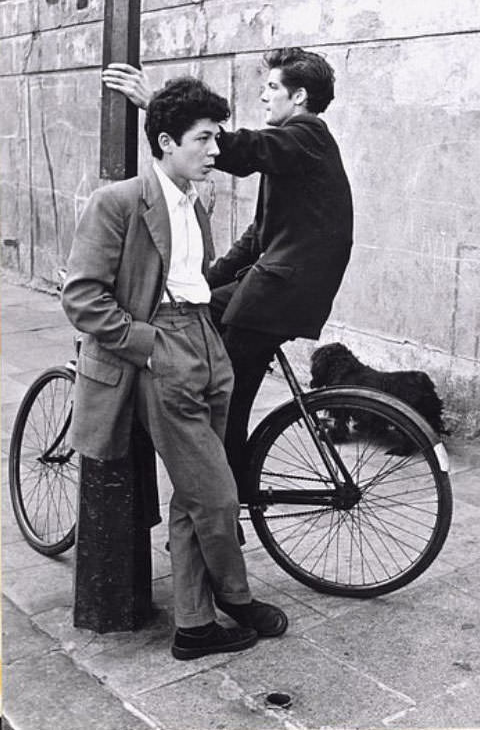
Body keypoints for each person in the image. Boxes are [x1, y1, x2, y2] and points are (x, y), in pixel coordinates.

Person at [62, 77, 287, 660]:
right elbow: (82, 297)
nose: (216, 151)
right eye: (205, 139)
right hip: (163, 349)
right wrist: (151, 344)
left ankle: (193, 625)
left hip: (206, 341)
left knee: (192, 494)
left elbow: (195, 277)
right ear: (166, 141)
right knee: (215, 491)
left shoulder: (196, 199)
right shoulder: (118, 202)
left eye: (216, 138)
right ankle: (235, 598)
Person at [102, 48, 353, 502]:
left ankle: (223, 502)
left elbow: (246, 148)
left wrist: (164, 109)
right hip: (277, 284)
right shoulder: (296, 149)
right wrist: (204, 279)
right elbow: (258, 237)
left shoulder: (306, 135)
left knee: (227, 406)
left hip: (279, 293)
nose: (263, 96)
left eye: (273, 88)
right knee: (198, 313)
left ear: (298, 96)